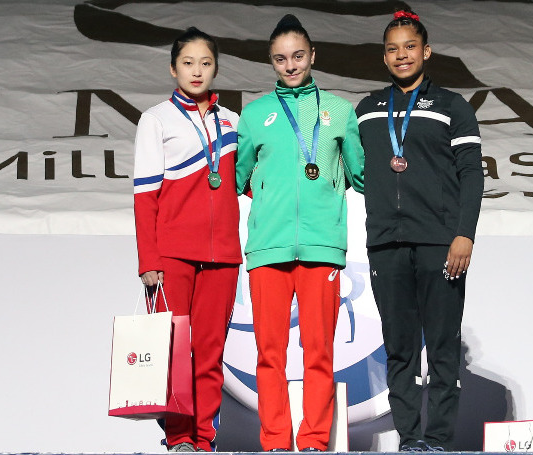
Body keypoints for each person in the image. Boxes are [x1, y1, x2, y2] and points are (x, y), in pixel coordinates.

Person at [355, 9, 484, 453]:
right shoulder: (367, 110)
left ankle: (439, 439)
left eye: (410, 46)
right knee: (400, 347)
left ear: (426, 51)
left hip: (440, 243)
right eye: (393, 49)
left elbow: (472, 174)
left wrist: (464, 234)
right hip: (386, 244)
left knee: (443, 345)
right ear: (384, 56)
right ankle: (410, 438)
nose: (402, 55)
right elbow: (350, 167)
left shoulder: (452, 106)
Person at [235, 14, 364, 452]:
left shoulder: (340, 111)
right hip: (268, 248)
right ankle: (275, 442)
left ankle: (312, 442)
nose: (290, 66)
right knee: (269, 355)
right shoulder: (255, 114)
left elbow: (360, 174)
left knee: (319, 352)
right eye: (280, 59)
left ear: (312, 56)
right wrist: (270, 197)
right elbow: (239, 177)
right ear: (271, 62)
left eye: (298, 56)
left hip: (321, 247)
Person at [133, 27, 241, 453]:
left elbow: (249, 183)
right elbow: (145, 196)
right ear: (173, 68)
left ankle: (204, 439)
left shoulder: (232, 121)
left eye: (206, 63)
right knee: (173, 352)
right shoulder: (156, 119)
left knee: (210, 354)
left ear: (216, 68)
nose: (197, 71)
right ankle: (178, 437)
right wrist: (149, 260)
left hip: (223, 256)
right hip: (172, 255)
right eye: (188, 62)